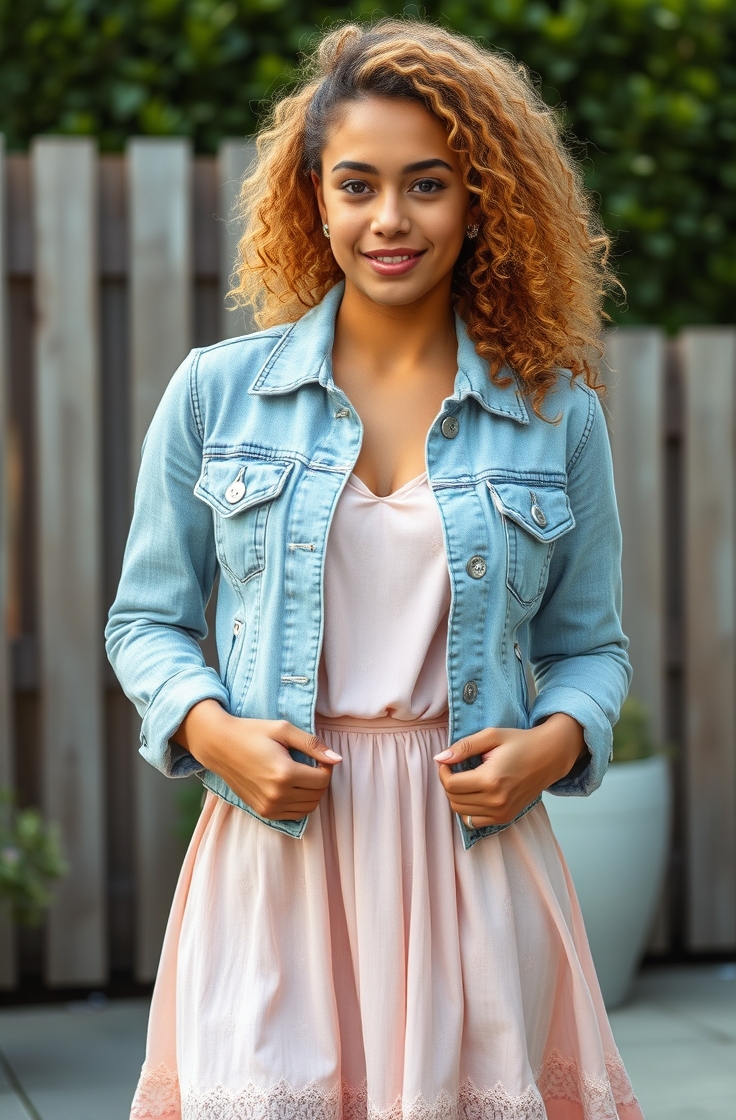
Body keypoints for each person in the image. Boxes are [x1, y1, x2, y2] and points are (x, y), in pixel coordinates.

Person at [107, 19, 644, 1120]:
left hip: (476, 859)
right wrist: (214, 735)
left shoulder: (557, 417)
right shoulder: (214, 394)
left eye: (428, 185)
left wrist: (549, 747)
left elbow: (590, 645)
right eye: (356, 184)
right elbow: (145, 623)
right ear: (314, 197)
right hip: (277, 854)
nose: (388, 219)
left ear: (481, 199)